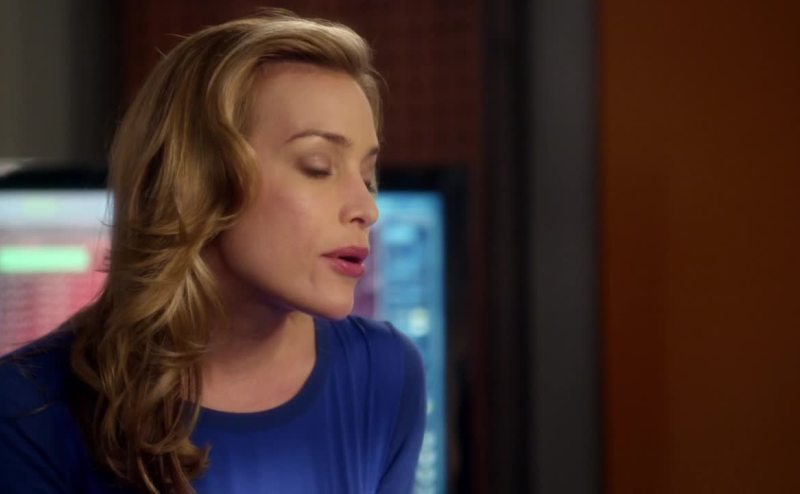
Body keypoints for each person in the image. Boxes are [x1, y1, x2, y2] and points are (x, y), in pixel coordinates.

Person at [0, 11, 426, 494]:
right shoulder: (26, 413)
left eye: (367, 178)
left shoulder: (387, 375)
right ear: (199, 180)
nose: (366, 208)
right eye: (318, 166)